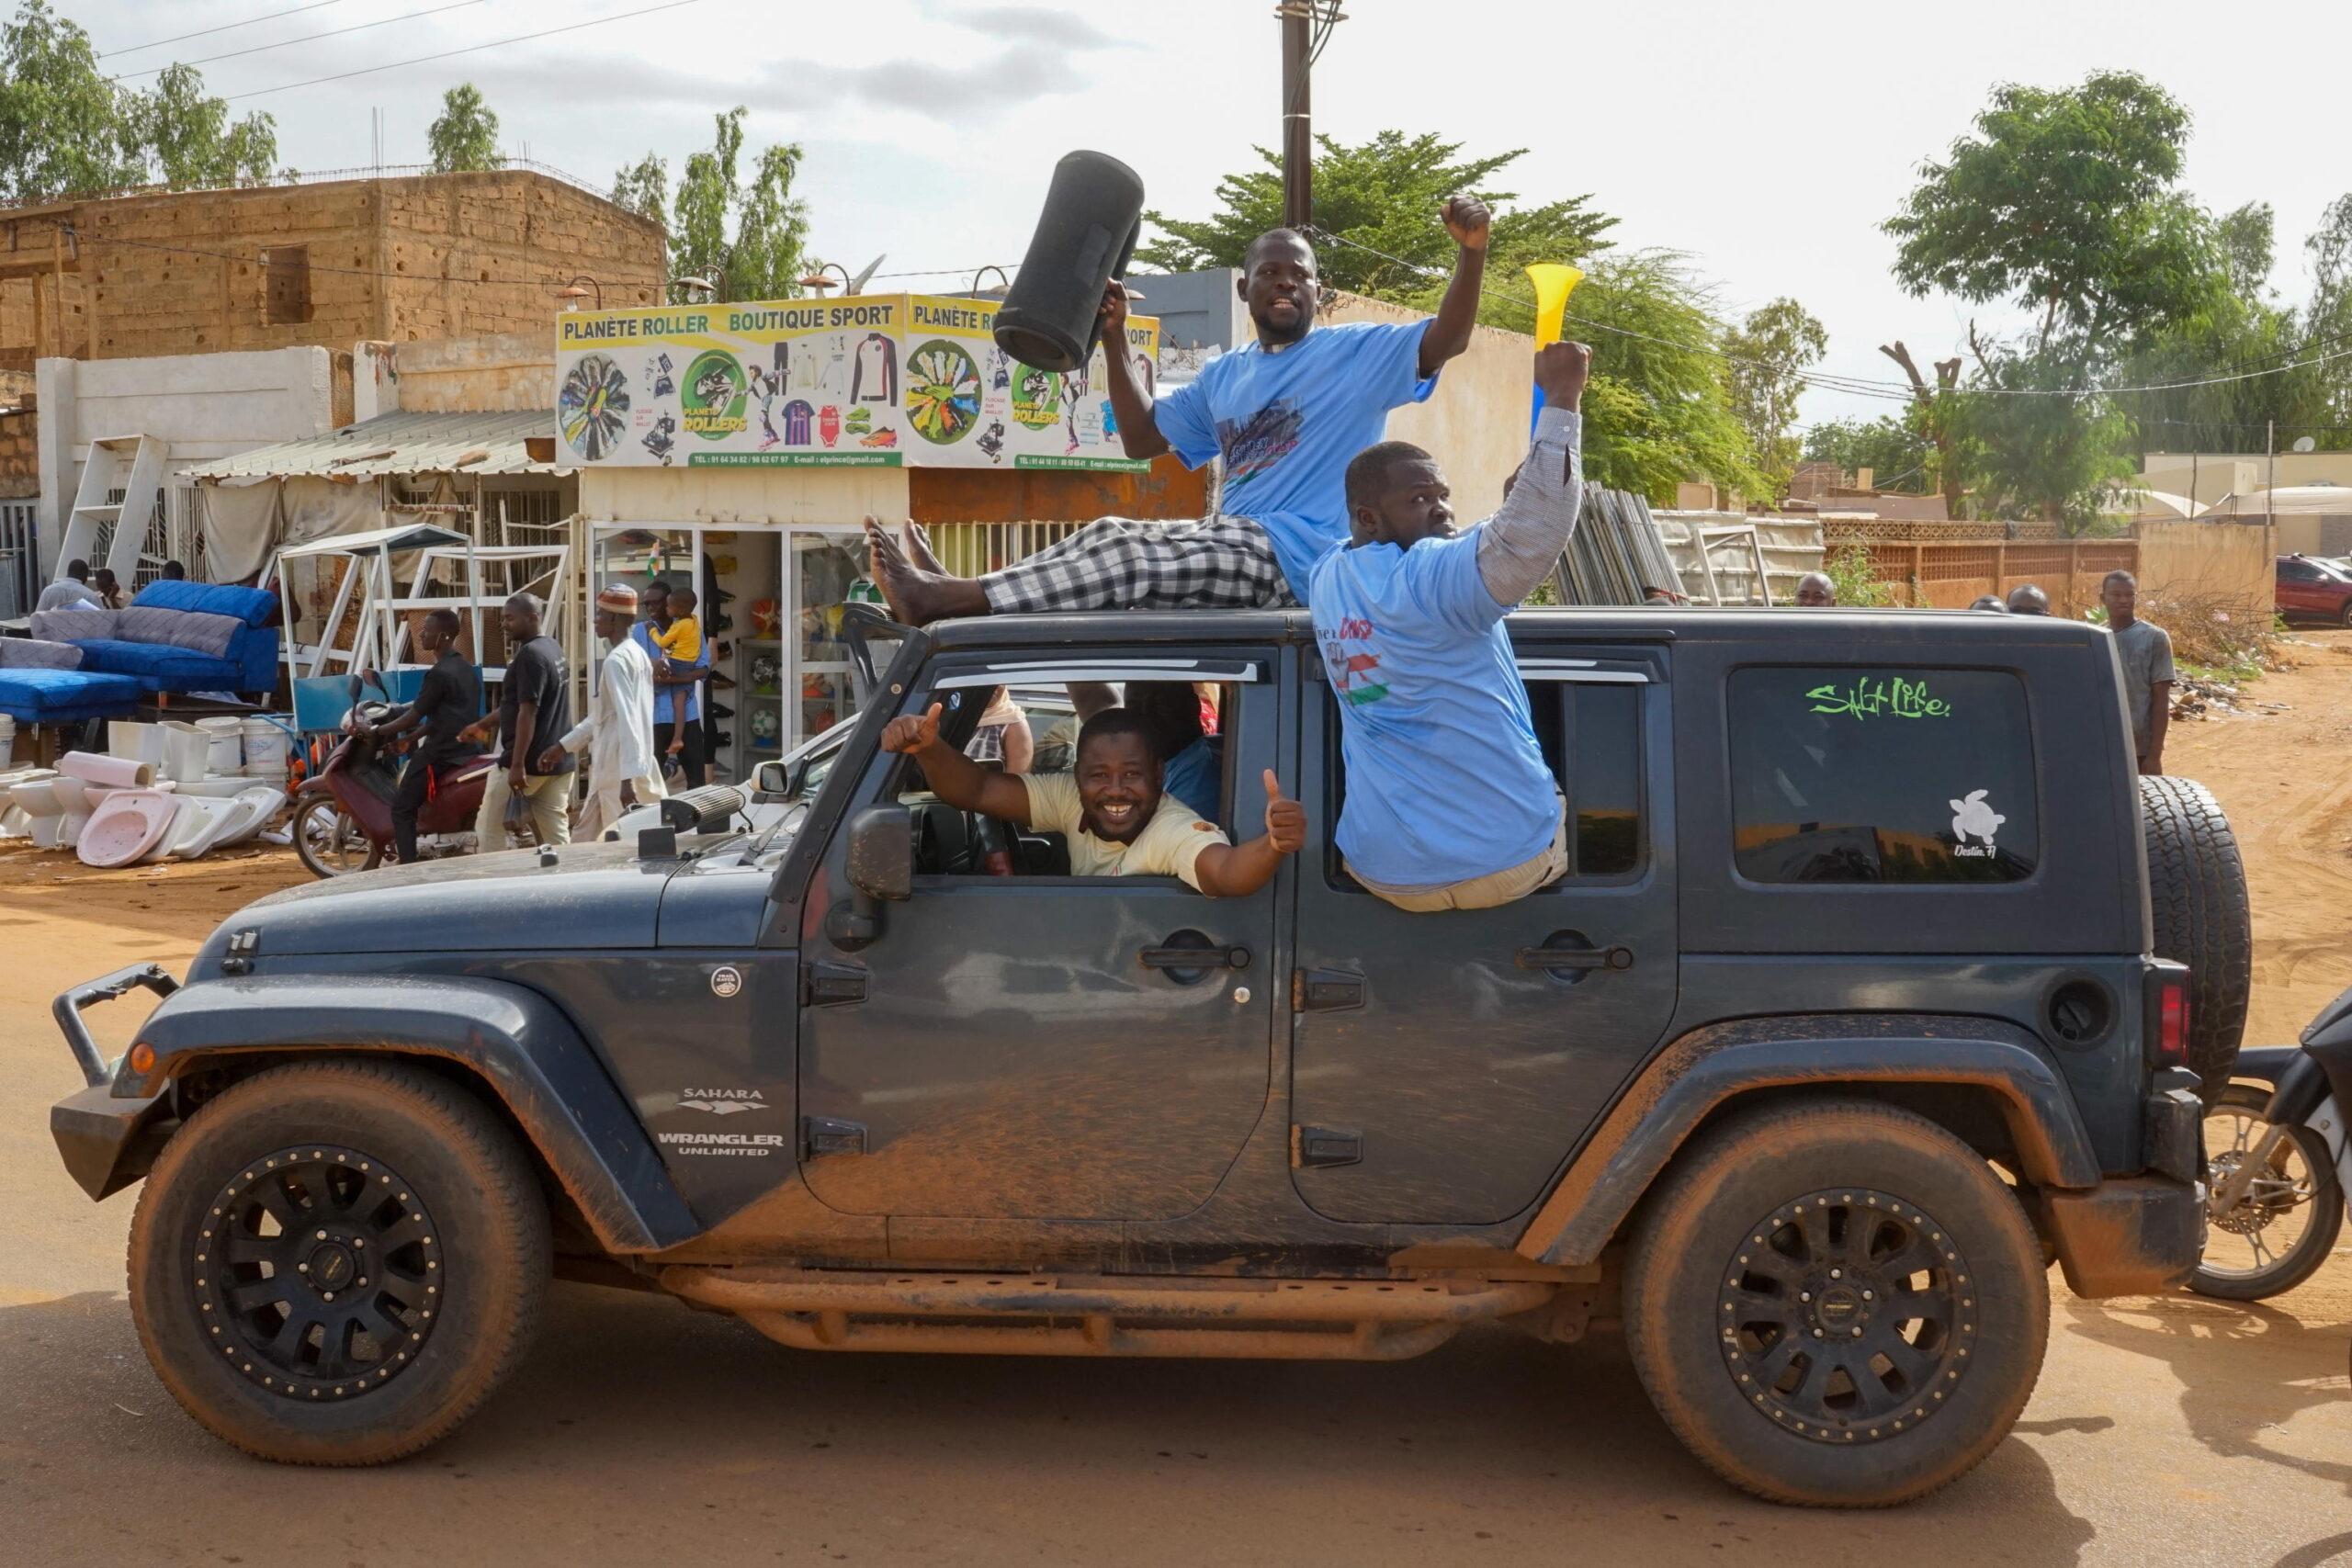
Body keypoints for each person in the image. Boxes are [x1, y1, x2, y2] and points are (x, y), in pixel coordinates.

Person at [863, 200, 1496, 625]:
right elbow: (1140, 439)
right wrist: (1112, 334)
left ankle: (954, 598)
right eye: (1269, 273)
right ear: (1244, 288)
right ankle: (963, 598)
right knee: (1109, 615)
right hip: (1241, 548)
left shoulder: (1355, 352)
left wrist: (1470, 253)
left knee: (1121, 545)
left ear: (1317, 292)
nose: (1285, 283)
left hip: (1302, 557)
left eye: (1298, 275)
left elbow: (1448, 337)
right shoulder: (1224, 374)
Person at [1308, 341, 1590, 913]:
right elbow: (1530, 537)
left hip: (1383, 870)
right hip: (1505, 860)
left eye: (1444, 496)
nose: (1442, 510)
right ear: (1368, 516)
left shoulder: (1330, 575)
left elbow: (1458, 553)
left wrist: (1503, 515)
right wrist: (1562, 398)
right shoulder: (1428, 581)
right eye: (1419, 499)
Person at [881, 704, 1303, 897]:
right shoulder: (1070, 798)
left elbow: (1225, 873)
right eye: (1098, 776)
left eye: (1133, 775)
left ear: (1159, 775)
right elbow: (975, 790)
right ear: (1077, 777)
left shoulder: (1171, 828)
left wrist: (1273, 845)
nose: (1116, 790)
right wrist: (929, 749)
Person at [356, 608, 481, 864]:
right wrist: (410, 739)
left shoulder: (438, 674)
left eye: (428, 630)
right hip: (466, 748)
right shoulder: (466, 669)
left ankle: (408, 867)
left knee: (402, 809)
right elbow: (446, 715)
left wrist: (377, 730)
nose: (422, 634)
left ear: (444, 636)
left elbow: (413, 716)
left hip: (441, 752)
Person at [542, 583, 665, 840]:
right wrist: (563, 746)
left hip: (619, 769)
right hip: (618, 766)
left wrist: (626, 780)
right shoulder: (637, 655)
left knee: (621, 846)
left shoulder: (617, 661)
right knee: (584, 841)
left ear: (614, 618)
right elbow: (602, 716)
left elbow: (628, 718)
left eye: (599, 614)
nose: (594, 620)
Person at [459, 592, 573, 850]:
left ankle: (495, 885)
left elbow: (528, 712)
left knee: (489, 827)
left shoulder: (529, 656)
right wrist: (482, 725)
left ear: (532, 617)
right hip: (556, 761)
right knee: (556, 837)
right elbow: (514, 704)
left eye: (510, 618)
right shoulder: (552, 647)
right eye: (503, 618)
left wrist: (517, 764)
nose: (504, 624)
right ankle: (566, 882)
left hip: (529, 764)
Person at [632, 581, 713, 788]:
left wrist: (671, 679)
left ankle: (696, 821)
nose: (650, 608)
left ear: (672, 604)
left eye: (655, 603)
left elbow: (704, 668)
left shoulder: (692, 628)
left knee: (697, 781)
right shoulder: (640, 631)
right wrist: (653, 667)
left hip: (687, 716)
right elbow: (634, 668)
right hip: (654, 717)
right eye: (646, 604)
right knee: (649, 786)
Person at [2103, 570, 2174, 776]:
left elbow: (2161, 699)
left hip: (2140, 748)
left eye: (2129, 594)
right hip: (2104, 745)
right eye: (2116, 595)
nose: (2124, 600)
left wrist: (2154, 756)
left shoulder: (2155, 638)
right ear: (2103, 598)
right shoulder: (2096, 637)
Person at [650, 584, 702, 767]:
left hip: (679, 664)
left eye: (668, 606)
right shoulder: (694, 620)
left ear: (679, 610)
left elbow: (663, 642)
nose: (666, 609)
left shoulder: (680, 625)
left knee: (679, 702)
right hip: (686, 663)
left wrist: (653, 631)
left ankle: (677, 738)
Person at [964, 685, 1034, 773]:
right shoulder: (958, 717)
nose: (993, 687)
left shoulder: (1013, 724)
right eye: (987, 681)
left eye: (998, 682)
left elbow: (1016, 782)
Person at [35, 558, 104, 612]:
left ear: (68, 573)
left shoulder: (48, 591)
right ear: (85, 577)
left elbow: (37, 618)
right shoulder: (90, 596)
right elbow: (101, 621)